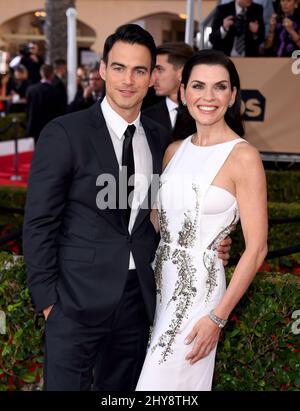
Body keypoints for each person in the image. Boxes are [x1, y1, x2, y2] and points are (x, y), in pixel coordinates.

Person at [23, 25, 231, 391]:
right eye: (119, 68)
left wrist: (210, 241)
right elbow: (39, 222)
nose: (127, 80)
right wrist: (49, 304)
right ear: (102, 69)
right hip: (74, 303)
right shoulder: (66, 133)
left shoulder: (160, 139)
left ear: (153, 77)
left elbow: (169, 213)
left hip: (138, 301)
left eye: (139, 70)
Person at [136, 49, 268, 391]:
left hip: (200, 296)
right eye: (198, 86)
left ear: (233, 95)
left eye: (219, 87)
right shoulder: (174, 150)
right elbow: (156, 222)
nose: (208, 97)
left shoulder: (244, 156)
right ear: (183, 92)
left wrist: (217, 318)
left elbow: (257, 249)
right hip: (156, 285)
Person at [143, 42, 196, 141]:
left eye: (159, 70)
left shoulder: (203, 112)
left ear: (182, 73)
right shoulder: (145, 116)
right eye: (152, 70)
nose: (153, 77)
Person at [26, 64, 62, 143]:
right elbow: (59, 113)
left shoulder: (30, 90)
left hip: (33, 129)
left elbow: (28, 111)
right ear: (52, 74)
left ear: (41, 73)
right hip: (49, 130)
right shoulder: (56, 92)